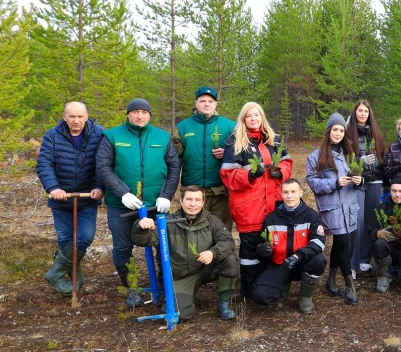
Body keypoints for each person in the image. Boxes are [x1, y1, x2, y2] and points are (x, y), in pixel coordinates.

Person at [95, 98, 180, 307]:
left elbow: (173, 167)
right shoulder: (112, 136)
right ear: (128, 114)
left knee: (163, 246)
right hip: (121, 205)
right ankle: (131, 287)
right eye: (135, 112)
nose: (139, 116)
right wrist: (122, 192)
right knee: (123, 247)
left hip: (155, 204)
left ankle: (165, 288)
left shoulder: (162, 137)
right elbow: (103, 167)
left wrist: (166, 195)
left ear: (150, 115)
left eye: (144, 112)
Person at [132, 186, 240, 321]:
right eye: (189, 199)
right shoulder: (167, 222)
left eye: (197, 200)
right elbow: (146, 240)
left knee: (230, 260)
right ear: (181, 201)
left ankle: (224, 304)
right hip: (181, 276)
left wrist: (213, 252)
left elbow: (228, 241)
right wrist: (141, 227)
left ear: (202, 202)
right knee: (179, 315)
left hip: (206, 268)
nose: (193, 204)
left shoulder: (212, 220)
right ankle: (185, 298)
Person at [220, 102, 292, 299]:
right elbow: (227, 176)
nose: (253, 119)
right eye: (249, 116)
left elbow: (287, 163)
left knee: (273, 246)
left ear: (262, 117)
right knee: (250, 251)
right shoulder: (235, 143)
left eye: (257, 115)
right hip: (248, 207)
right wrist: (249, 175)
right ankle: (248, 290)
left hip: (273, 205)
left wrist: (280, 173)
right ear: (243, 120)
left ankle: (272, 285)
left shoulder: (274, 140)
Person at [37, 101, 104, 294]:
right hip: (61, 199)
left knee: (84, 238)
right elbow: (44, 163)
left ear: (87, 116)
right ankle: (76, 280)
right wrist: (53, 187)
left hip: (87, 198)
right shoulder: (52, 135)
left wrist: (99, 186)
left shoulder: (99, 134)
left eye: (80, 116)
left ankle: (55, 274)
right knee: (66, 240)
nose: (76, 121)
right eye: (72, 116)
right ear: (64, 116)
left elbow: (104, 162)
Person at [306, 112, 361, 306]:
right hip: (332, 208)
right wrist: (335, 183)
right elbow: (313, 183)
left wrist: (359, 180)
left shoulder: (350, 154)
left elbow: (359, 177)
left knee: (340, 242)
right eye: (335, 130)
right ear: (328, 131)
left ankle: (331, 279)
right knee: (343, 241)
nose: (337, 134)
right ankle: (349, 284)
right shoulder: (315, 157)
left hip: (349, 206)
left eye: (341, 130)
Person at [250, 179, 328, 314]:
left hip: (302, 262)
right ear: (281, 194)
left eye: (293, 192)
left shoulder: (311, 216)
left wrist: (299, 256)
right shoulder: (271, 218)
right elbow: (260, 244)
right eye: (286, 192)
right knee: (261, 296)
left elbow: (319, 242)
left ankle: (305, 296)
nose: (289, 196)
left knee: (318, 260)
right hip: (279, 264)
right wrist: (263, 251)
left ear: (300, 193)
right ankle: (282, 285)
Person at [173, 87, 236, 230]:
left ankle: (221, 253)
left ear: (216, 104)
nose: (206, 104)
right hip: (192, 191)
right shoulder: (183, 127)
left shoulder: (230, 126)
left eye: (210, 101)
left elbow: (240, 155)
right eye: (202, 101)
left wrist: (227, 153)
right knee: (192, 230)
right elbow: (174, 161)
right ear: (196, 103)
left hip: (220, 191)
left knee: (221, 229)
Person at [345, 100, 387, 277]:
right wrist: (360, 163)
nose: (363, 114)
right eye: (360, 111)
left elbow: (381, 157)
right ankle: (352, 264)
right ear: (355, 113)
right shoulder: (348, 133)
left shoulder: (375, 133)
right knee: (358, 221)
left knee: (370, 221)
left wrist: (375, 165)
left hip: (374, 181)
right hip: (357, 181)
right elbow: (346, 158)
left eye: (366, 111)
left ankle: (364, 260)